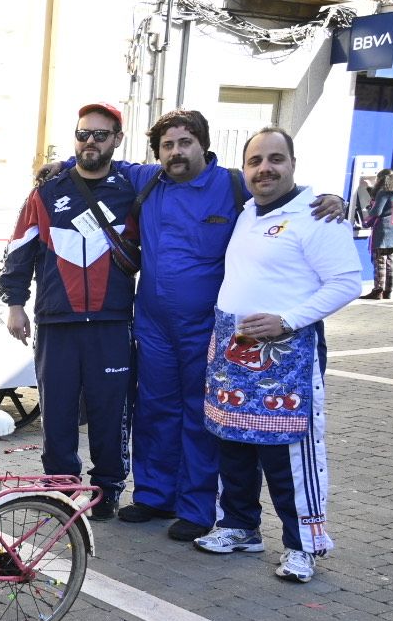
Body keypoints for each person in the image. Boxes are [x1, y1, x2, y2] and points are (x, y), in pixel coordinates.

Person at [108, 110, 346, 541]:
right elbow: (101, 159)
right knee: (154, 409)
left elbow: (288, 198)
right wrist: (59, 166)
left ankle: (198, 508)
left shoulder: (234, 184)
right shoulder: (148, 180)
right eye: (168, 145)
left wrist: (335, 198)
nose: (176, 152)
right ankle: (153, 495)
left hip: (209, 329)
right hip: (155, 324)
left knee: (203, 416)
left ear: (204, 145)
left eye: (185, 143)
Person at [195, 128, 360, 584]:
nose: (264, 168)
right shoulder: (248, 209)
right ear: (244, 168)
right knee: (234, 445)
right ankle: (240, 526)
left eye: (275, 159)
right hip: (233, 348)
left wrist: (288, 320)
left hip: (287, 353)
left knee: (287, 455)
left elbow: (347, 282)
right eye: (255, 160)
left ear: (292, 163)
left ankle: (302, 545)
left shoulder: (318, 216)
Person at [0, 103, 139, 520]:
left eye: (100, 134)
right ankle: (59, 488)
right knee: (56, 415)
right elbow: (19, 251)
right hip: (57, 323)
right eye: (82, 134)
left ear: (117, 139)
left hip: (112, 323)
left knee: (108, 414)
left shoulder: (131, 191)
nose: (90, 141)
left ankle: (108, 489)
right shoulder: (46, 193)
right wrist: (14, 304)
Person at [356, 168, 393, 299]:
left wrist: (368, 211)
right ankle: (388, 291)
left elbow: (376, 211)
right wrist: (369, 189)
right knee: (390, 262)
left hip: (383, 230)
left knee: (379, 260)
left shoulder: (384, 192)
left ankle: (377, 290)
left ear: (382, 180)